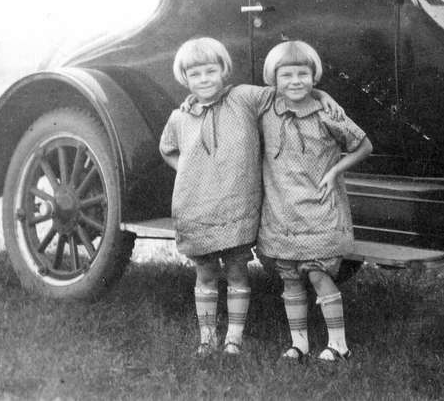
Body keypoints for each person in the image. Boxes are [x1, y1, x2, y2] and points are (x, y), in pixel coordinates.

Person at [158, 37, 341, 358]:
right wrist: (192, 172)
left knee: (236, 270)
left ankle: (234, 338)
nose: (204, 79)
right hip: (196, 207)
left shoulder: (243, 98)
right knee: (205, 272)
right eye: (196, 74)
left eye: (210, 71)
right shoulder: (180, 116)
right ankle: (206, 337)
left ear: (223, 70)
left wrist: (322, 94)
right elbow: (168, 149)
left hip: (236, 204)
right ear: (185, 78)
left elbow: (286, 90)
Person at [257, 40, 372, 363]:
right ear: (274, 79)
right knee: (290, 278)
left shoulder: (326, 113)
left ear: (314, 75)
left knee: (319, 275)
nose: (295, 81)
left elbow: (363, 145)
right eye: (287, 75)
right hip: (281, 211)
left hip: (318, 208)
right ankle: (300, 343)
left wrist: (335, 171)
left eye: (303, 74)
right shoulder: (267, 107)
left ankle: (339, 344)